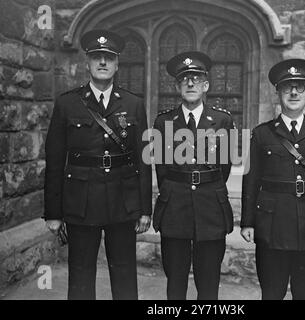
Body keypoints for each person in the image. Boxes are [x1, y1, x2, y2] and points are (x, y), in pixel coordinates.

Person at [44, 29, 152, 300]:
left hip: (122, 198)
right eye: (96, 57)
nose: (102, 62)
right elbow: (55, 160)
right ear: (88, 63)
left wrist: (144, 209)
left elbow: (143, 159)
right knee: (80, 270)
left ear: (117, 64)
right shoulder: (67, 103)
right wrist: (53, 212)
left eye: (108, 58)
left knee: (125, 270)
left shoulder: (133, 103)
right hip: (81, 199)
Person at [240, 59, 305, 300]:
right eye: (287, 87)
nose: (294, 92)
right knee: (272, 293)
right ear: (278, 92)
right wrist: (248, 221)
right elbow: (251, 180)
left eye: (300, 86)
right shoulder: (262, 133)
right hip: (272, 226)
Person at [152, 51, 235, 300]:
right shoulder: (163, 122)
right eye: (185, 79)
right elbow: (162, 169)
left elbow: (225, 167)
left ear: (206, 85)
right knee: (175, 279)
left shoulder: (222, 121)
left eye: (196, 78)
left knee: (208, 282)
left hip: (210, 206)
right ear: (177, 86)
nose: (190, 83)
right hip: (175, 205)